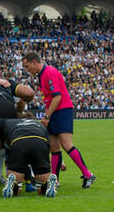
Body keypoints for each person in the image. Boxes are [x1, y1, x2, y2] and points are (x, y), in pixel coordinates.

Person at [22, 52, 95, 188]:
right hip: (54, 111)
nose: (27, 70)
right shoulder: (41, 75)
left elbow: (57, 97)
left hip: (62, 110)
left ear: (34, 62)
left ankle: (88, 175)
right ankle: (54, 180)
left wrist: (47, 116)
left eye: (27, 66)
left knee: (67, 145)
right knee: (54, 148)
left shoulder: (50, 72)